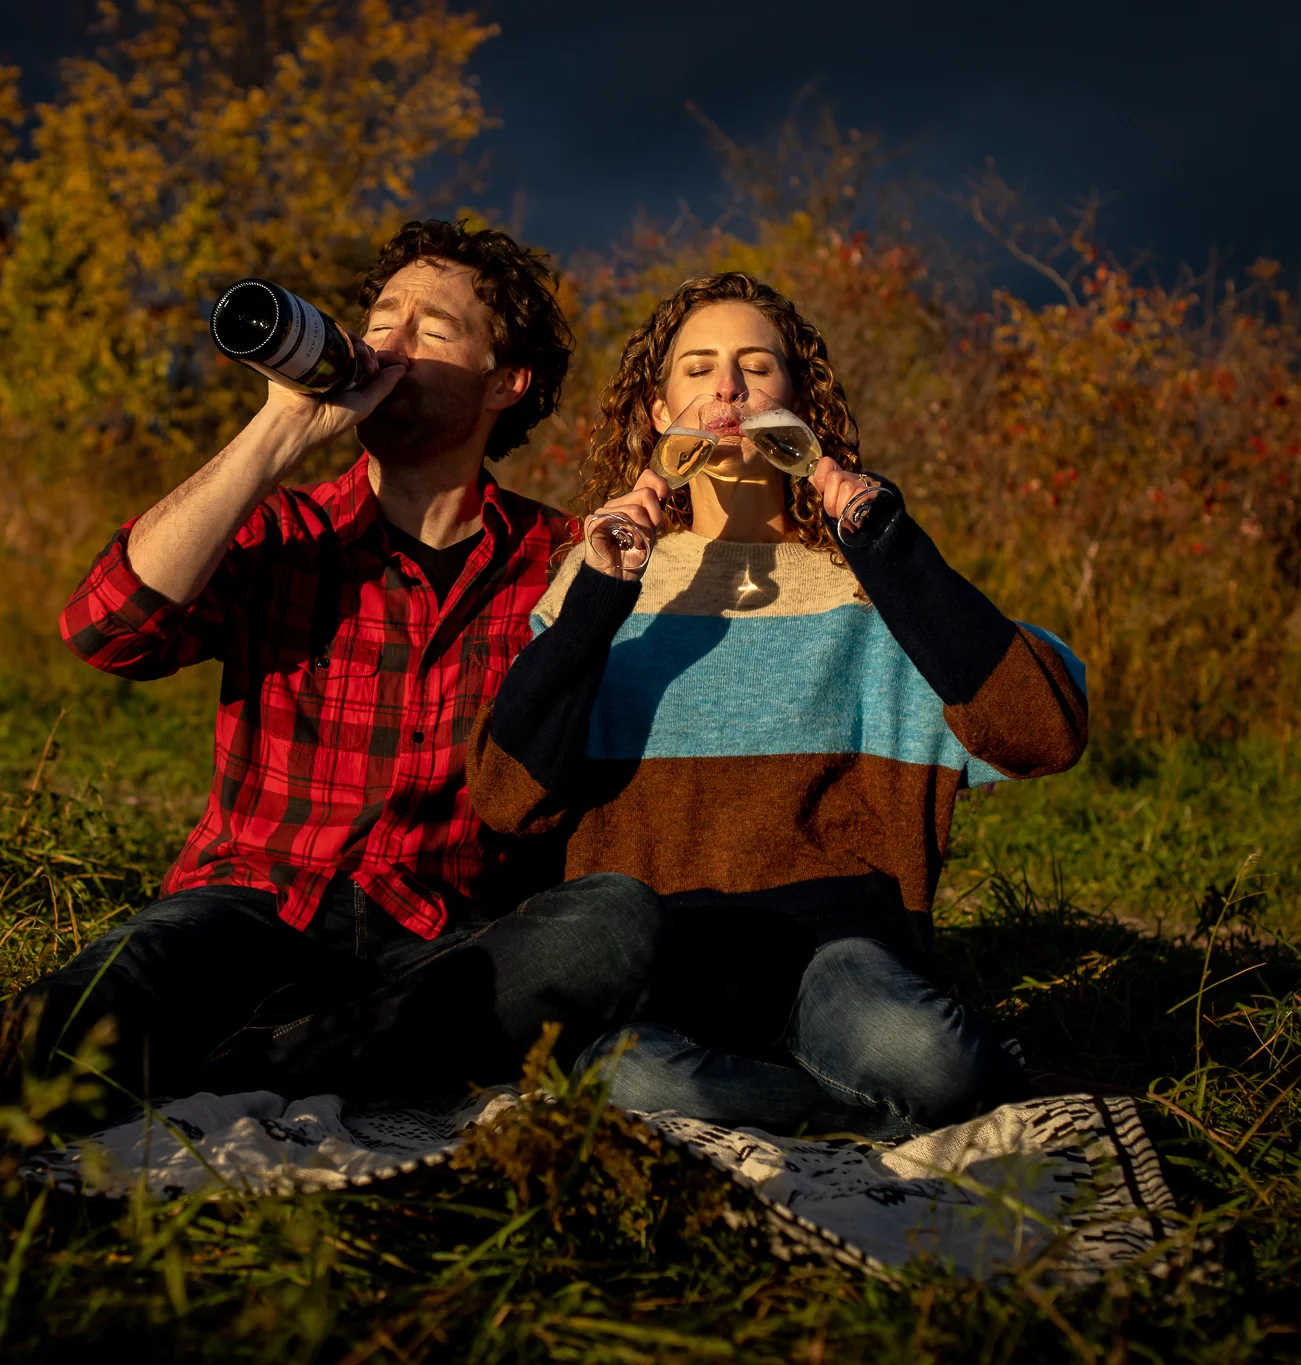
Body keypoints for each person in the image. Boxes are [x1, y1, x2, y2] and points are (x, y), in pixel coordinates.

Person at [0, 220, 663, 1107]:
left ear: (505, 382)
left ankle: (265, 1064)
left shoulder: (561, 559)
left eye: (430, 329)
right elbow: (105, 631)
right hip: (251, 904)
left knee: (607, 924)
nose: (387, 345)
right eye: (380, 319)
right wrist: (276, 432)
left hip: (441, 935)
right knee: (130, 981)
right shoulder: (284, 529)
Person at [465, 272, 1090, 1139]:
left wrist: (889, 547)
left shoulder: (865, 575)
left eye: (757, 366)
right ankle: (862, 1111)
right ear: (659, 412)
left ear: (798, 402)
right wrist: (603, 592)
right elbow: (506, 795)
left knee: (926, 1056)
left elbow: (1042, 731)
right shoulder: (598, 573)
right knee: (632, 1076)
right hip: (661, 960)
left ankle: (881, 1091)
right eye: (699, 368)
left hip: (835, 957)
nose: (728, 387)